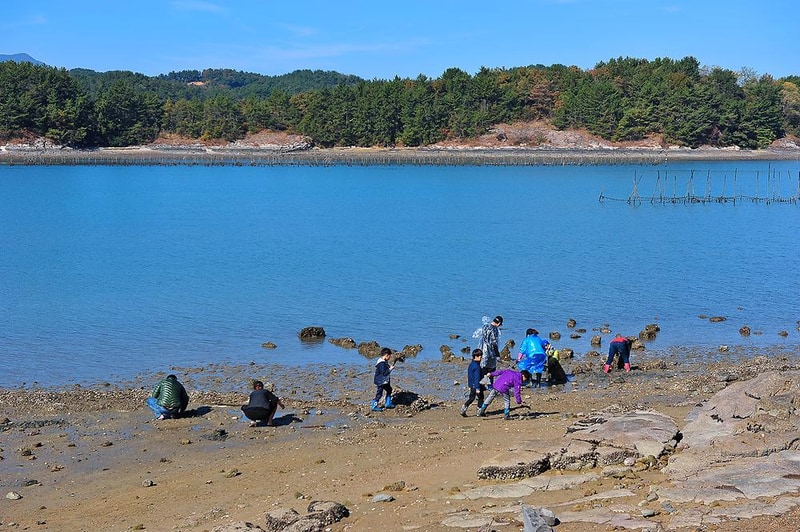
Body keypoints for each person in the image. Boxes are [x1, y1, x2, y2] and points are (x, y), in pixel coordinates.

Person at [460, 349, 485, 417]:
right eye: (479, 356)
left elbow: (471, 376)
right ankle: (479, 411)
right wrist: (478, 388)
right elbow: (477, 378)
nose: (481, 358)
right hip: (477, 385)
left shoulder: (471, 364)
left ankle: (464, 408)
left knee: (471, 398)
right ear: (475, 356)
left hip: (472, 384)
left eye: (481, 356)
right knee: (480, 398)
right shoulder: (477, 366)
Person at [479, 315, 503, 380]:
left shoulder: (485, 326)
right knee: (491, 370)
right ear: (499, 323)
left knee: (483, 367)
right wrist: (497, 355)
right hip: (491, 352)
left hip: (483, 349)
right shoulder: (494, 330)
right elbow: (494, 343)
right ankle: (489, 383)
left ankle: (482, 382)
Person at [372, 347, 395, 412]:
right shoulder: (381, 363)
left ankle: (388, 403)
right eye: (389, 356)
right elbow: (384, 373)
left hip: (384, 381)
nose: (389, 358)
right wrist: (390, 369)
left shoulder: (383, 362)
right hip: (381, 381)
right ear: (386, 355)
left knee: (389, 389)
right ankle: (374, 405)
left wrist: (389, 367)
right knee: (379, 393)